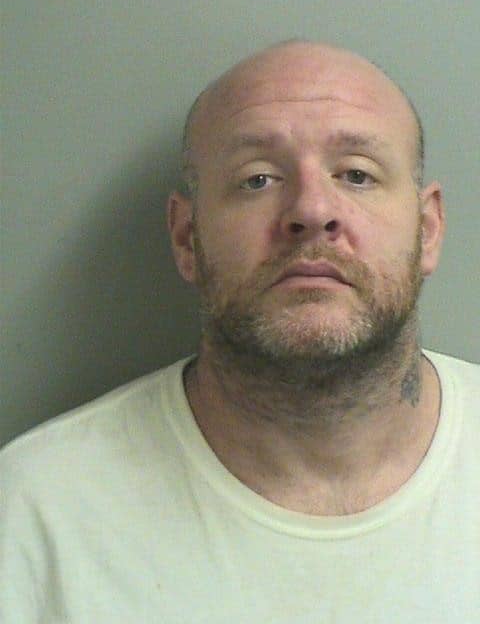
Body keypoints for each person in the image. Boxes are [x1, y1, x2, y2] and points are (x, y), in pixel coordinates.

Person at [1, 40, 478, 623]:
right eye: (258, 179)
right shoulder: (36, 514)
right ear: (187, 238)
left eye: (357, 174)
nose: (312, 210)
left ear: (428, 230)